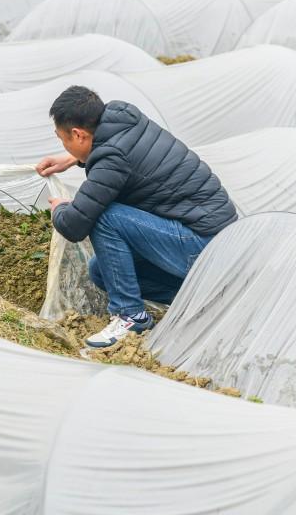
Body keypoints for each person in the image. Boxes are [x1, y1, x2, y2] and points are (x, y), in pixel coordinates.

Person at [36, 85, 237, 348]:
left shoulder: (111, 159)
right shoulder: (122, 114)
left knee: (105, 216)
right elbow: (121, 152)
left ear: (78, 134)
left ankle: (130, 316)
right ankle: (207, 301)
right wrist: (73, 159)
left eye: (63, 139)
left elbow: (74, 225)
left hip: (202, 245)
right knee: (101, 272)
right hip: (223, 242)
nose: (63, 144)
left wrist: (60, 207)